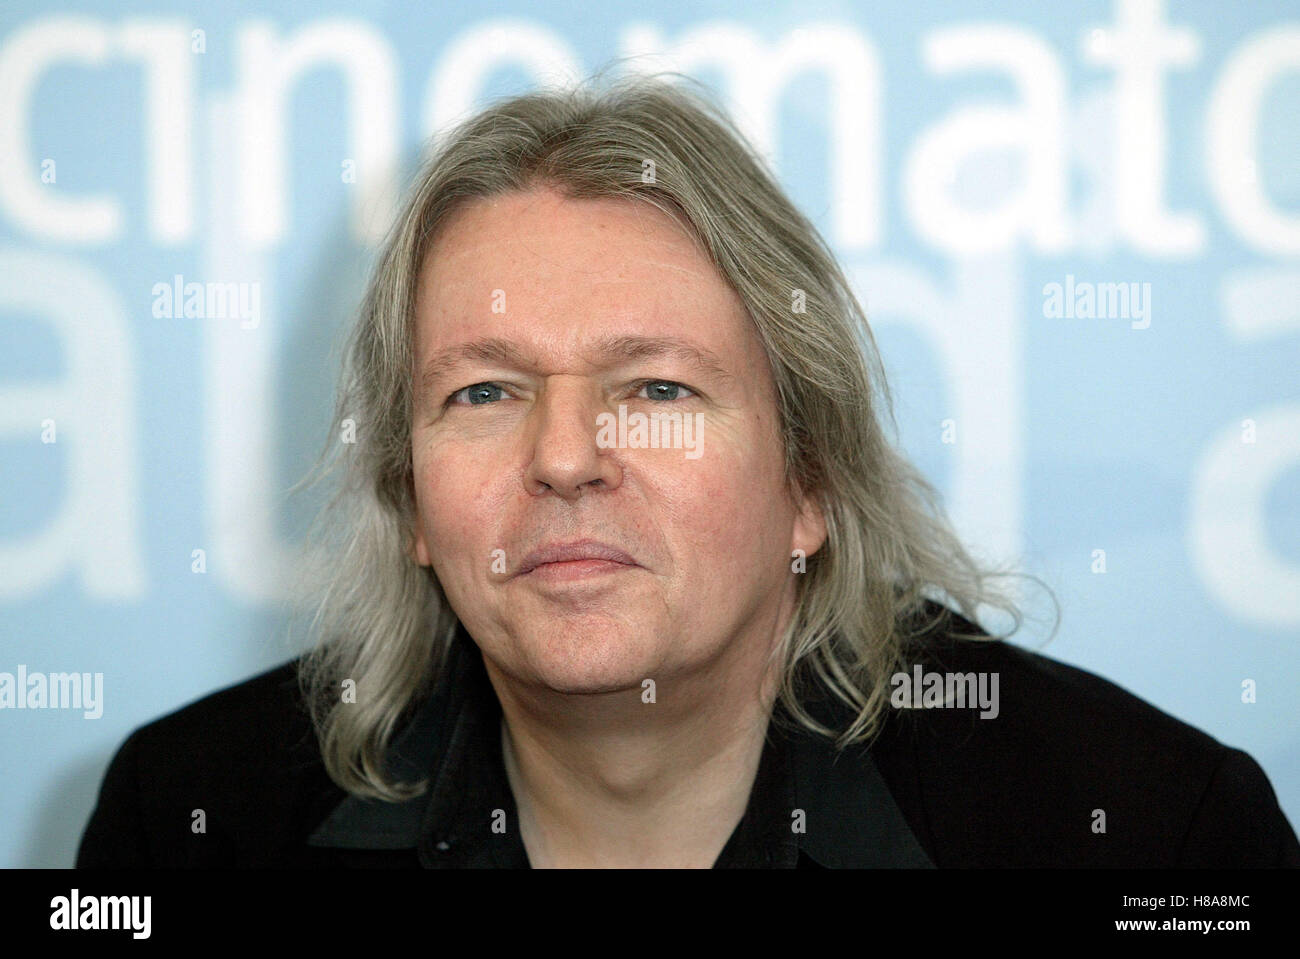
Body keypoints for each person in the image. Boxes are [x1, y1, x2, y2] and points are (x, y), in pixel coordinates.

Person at [77, 72, 1299, 869]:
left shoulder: (1147, 836)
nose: (563, 459)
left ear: (809, 479)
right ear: (408, 497)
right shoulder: (192, 820)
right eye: (484, 391)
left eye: (655, 389)